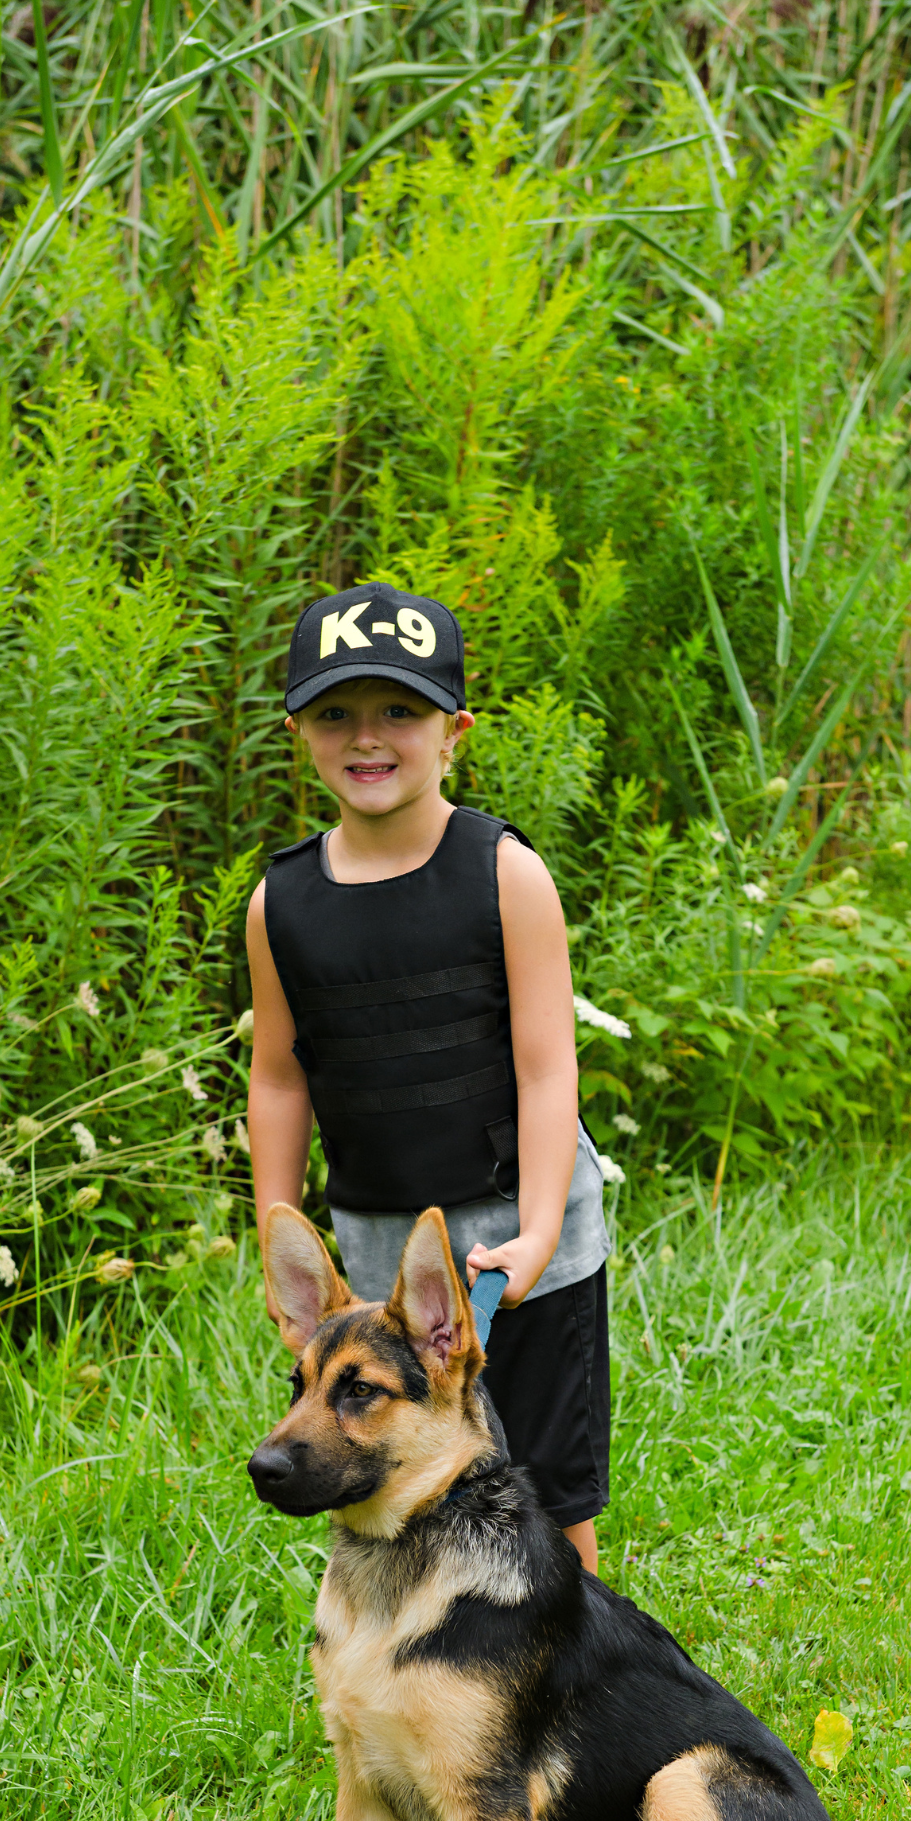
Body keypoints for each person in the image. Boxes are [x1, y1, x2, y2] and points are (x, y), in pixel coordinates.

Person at [244, 582, 612, 1573]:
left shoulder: (502, 872)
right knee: (395, 1478)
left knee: (541, 1483)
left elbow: (545, 1069)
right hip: (375, 1243)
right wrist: (278, 1226)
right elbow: (278, 1077)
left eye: (398, 711)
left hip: (518, 1237)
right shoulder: (282, 900)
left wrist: (534, 1236)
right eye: (336, 714)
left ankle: (565, 1669)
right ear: (299, 732)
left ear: (454, 729)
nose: (368, 738)